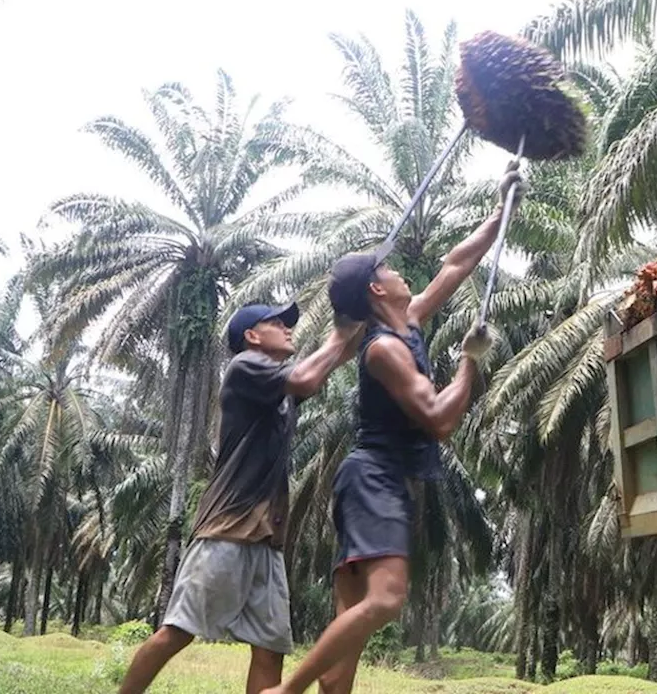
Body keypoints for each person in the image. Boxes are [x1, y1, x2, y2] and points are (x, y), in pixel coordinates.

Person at [260, 162, 524, 694]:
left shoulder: (408, 322)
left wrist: (502, 209)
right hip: (372, 480)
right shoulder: (383, 349)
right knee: (385, 599)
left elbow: (457, 263)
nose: (402, 271)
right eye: (391, 267)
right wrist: (471, 362)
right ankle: (285, 693)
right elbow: (441, 420)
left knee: (347, 650)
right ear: (378, 289)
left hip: (369, 481)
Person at [119, 302, 363, 694]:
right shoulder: (245, 366)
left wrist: (358, 319)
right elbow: (306, 377)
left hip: (267, 540)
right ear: (251, 336)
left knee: (269, 650)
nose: (287, 328)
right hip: (227, 530)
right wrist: (339, 333)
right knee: (178, 633)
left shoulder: (278, 390)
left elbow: (330, 363)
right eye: (276, 322)